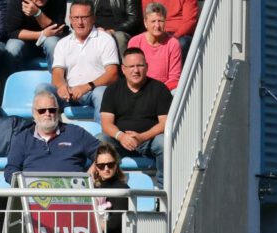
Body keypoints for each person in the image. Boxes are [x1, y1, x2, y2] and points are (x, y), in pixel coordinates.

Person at [100, 47, 171, 186]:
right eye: (131, 66)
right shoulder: (112, 90)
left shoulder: (160, 89)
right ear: (123, 69)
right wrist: (121, 136)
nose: (136, 70)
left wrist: (142, 137)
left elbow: (165, 123)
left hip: (149, 141)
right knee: (100, 139)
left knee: (163, 142)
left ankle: (164, 189)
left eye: (140, 65)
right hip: (121, 142)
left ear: (147, 67)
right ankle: (106, 188)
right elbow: (106, 124)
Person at [5, 87, 101, 182]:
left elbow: (103, 152)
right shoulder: (22, 138)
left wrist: (91, 172)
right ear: (34, 113)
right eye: (42, 110)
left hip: (71, 190)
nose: (47, 114)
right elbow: (10, 170)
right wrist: (22, 185)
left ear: (57, 111)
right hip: (35, 190)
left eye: (52, 110)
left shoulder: (76, 133)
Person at [51, 0, 120, 123]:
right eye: (76, 18)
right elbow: (57, 72)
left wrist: (87, 86)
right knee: (43, 89)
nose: (80, 22)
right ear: (70, 19)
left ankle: (103, 134)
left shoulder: (105, 40)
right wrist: (61, 86)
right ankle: (47, 133)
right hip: (69, 94)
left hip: (94, 91)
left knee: (101, 93)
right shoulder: (62, 43)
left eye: (84, 17)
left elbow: (113, 74)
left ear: (93, 18)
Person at [89, 143, 129, 233]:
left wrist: (92, 222)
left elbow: (114, 224)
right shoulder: (91, 188)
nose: (106, 169)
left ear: (116, 165)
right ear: (96, 167)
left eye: (110, 164)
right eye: (101, 166)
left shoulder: (122, 189)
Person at [128, 2, 182, 91]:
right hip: (140, 90)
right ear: (145, 23)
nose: (157, 25)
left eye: (160, 21)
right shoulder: (135, 42)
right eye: (153, 21)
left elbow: (174, 78)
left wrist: (157, 92)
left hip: (164, 90)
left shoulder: (173, 44)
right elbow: (131, 73)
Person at [3, 0, 67, 69]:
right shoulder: (17, 2)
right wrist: (42, 34)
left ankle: (56, 75)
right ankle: (15, 75)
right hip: (25, 42)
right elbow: (12, 32)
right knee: (12, 47)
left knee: (52, 43)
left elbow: (59, 29)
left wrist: (38, 13)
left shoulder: (58, 1)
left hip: (50, 39)